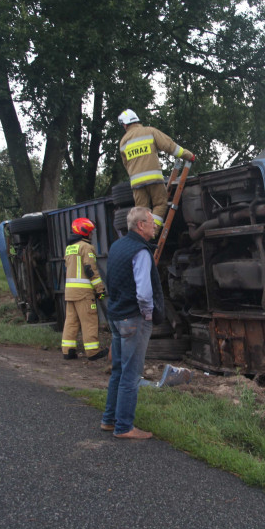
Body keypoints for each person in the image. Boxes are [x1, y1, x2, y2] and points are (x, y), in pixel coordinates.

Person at [101, 206, 163, 440]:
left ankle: (109, 420)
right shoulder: (141, 252)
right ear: (140, 225)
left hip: (116, 316)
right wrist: (148, 315)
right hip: (133, 319)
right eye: (151, 222)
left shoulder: (117, 246)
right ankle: (124, 427)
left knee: (118, 370)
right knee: (131, 374)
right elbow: (145, 294)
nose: (154, 225)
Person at [117, 108, 195, 236]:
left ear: (125, 124)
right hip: (154, 179)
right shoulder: (149, 132)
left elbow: (126, 164)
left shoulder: (123, 142)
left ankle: (140, 236)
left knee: (140, 211)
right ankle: (152, 232)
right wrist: (189, 155)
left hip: (136, 183)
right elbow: (169, 146)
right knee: (160, 204)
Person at [61, 217, 108, 361]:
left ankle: (68, 351)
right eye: (91, 232)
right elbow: (90, 270)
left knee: (71, 321)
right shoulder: (86, 247)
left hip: (70, 292)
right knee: (89, 320)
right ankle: (93, 352)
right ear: (85, 232)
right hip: (83, 293)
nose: (92, 235)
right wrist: (100, 289)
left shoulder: (70, 248)